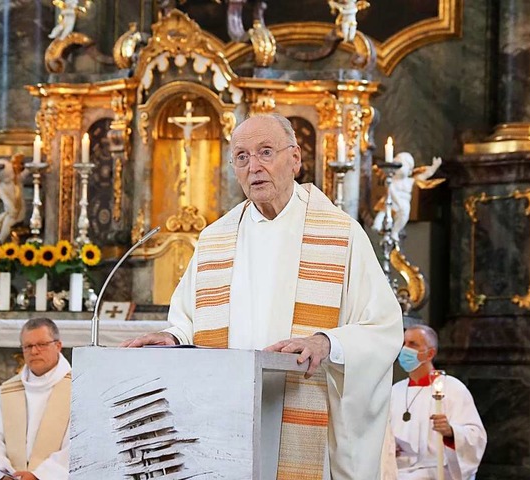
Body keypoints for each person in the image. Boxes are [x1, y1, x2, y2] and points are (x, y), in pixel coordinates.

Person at [122, 113, 404, 479]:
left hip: (303, 410)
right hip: (228, 414)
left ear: (295, 159)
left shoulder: (340, 234)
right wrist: (173, 338)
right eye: (241, 157)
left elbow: (382, 326)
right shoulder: (215, 239)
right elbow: (188, 321)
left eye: (265, 152)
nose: (253, 166)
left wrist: (326, 342)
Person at [0, 318, 71, 480]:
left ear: (58, 346)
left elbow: (78, 446)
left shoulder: (76, 388)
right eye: (28, 346)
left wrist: (39, 476)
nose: (34, 351)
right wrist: (3, 474)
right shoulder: (7, 391)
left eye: (42, 344)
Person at [391, 325, 487, 479]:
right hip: (398, 469)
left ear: (430, 354)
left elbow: (476, 437)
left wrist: (451, 432)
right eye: (403, 343)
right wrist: (389, 447)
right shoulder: (395, 391)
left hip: (437, 471)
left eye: (412, 344)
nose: (405, 349)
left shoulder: (453, 388)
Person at [372, 153, 442, 242]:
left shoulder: (410, 181)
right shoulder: (390, 180)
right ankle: (378, 223)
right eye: (396, 164)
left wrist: (434, 167)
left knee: (404, 215)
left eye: (401, 165)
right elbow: (391, 191)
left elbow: (425, 175)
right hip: (393, 200)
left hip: (404, 202)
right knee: (385, 208)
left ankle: (395, 231)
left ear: (409, 171)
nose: (398, 168)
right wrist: (398, 202)